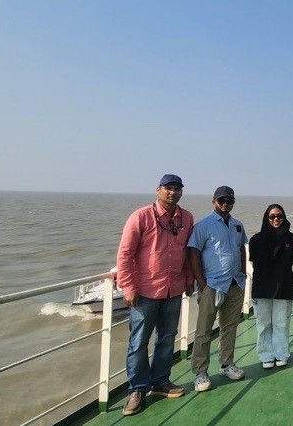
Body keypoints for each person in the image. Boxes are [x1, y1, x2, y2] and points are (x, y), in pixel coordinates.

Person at [116, 174, 194, 416]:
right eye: (168, 188)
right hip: (145, 291)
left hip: (174, 289)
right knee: (138, 341)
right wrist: (128, 287)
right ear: (158, 190)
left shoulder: (187, 218)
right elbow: (125, 254)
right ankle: (137, 389)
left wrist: (190, 280)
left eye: (177, 188)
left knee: (167, 337)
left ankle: (160, 381)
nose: (173, 192)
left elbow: (189, 251)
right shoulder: (141, 216)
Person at [187, 186, 247, 392]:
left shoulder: (237, 225)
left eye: (229, 200)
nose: (225, 203)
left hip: (235, 283)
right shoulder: (203, 225)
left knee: (229, 327)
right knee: (204, 331)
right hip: (212, 285)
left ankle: (226, 364)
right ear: (214, 201)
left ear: (233, 202)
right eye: (221, 200)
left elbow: (241, 249)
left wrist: (243, 274)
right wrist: (201, 284)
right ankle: (200, 372)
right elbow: (193, 253)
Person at [249, 204, 293, 369]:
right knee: (263, 324)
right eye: (272, 216)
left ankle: (281, 353)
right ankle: (266, 355)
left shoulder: (291, 239)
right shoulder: (256, 240)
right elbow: (254, 263)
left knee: (281, 323)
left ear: (284, 217)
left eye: (279, 216)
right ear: (266, 218)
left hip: (283, 286)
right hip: (262, 287)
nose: (276, 219)